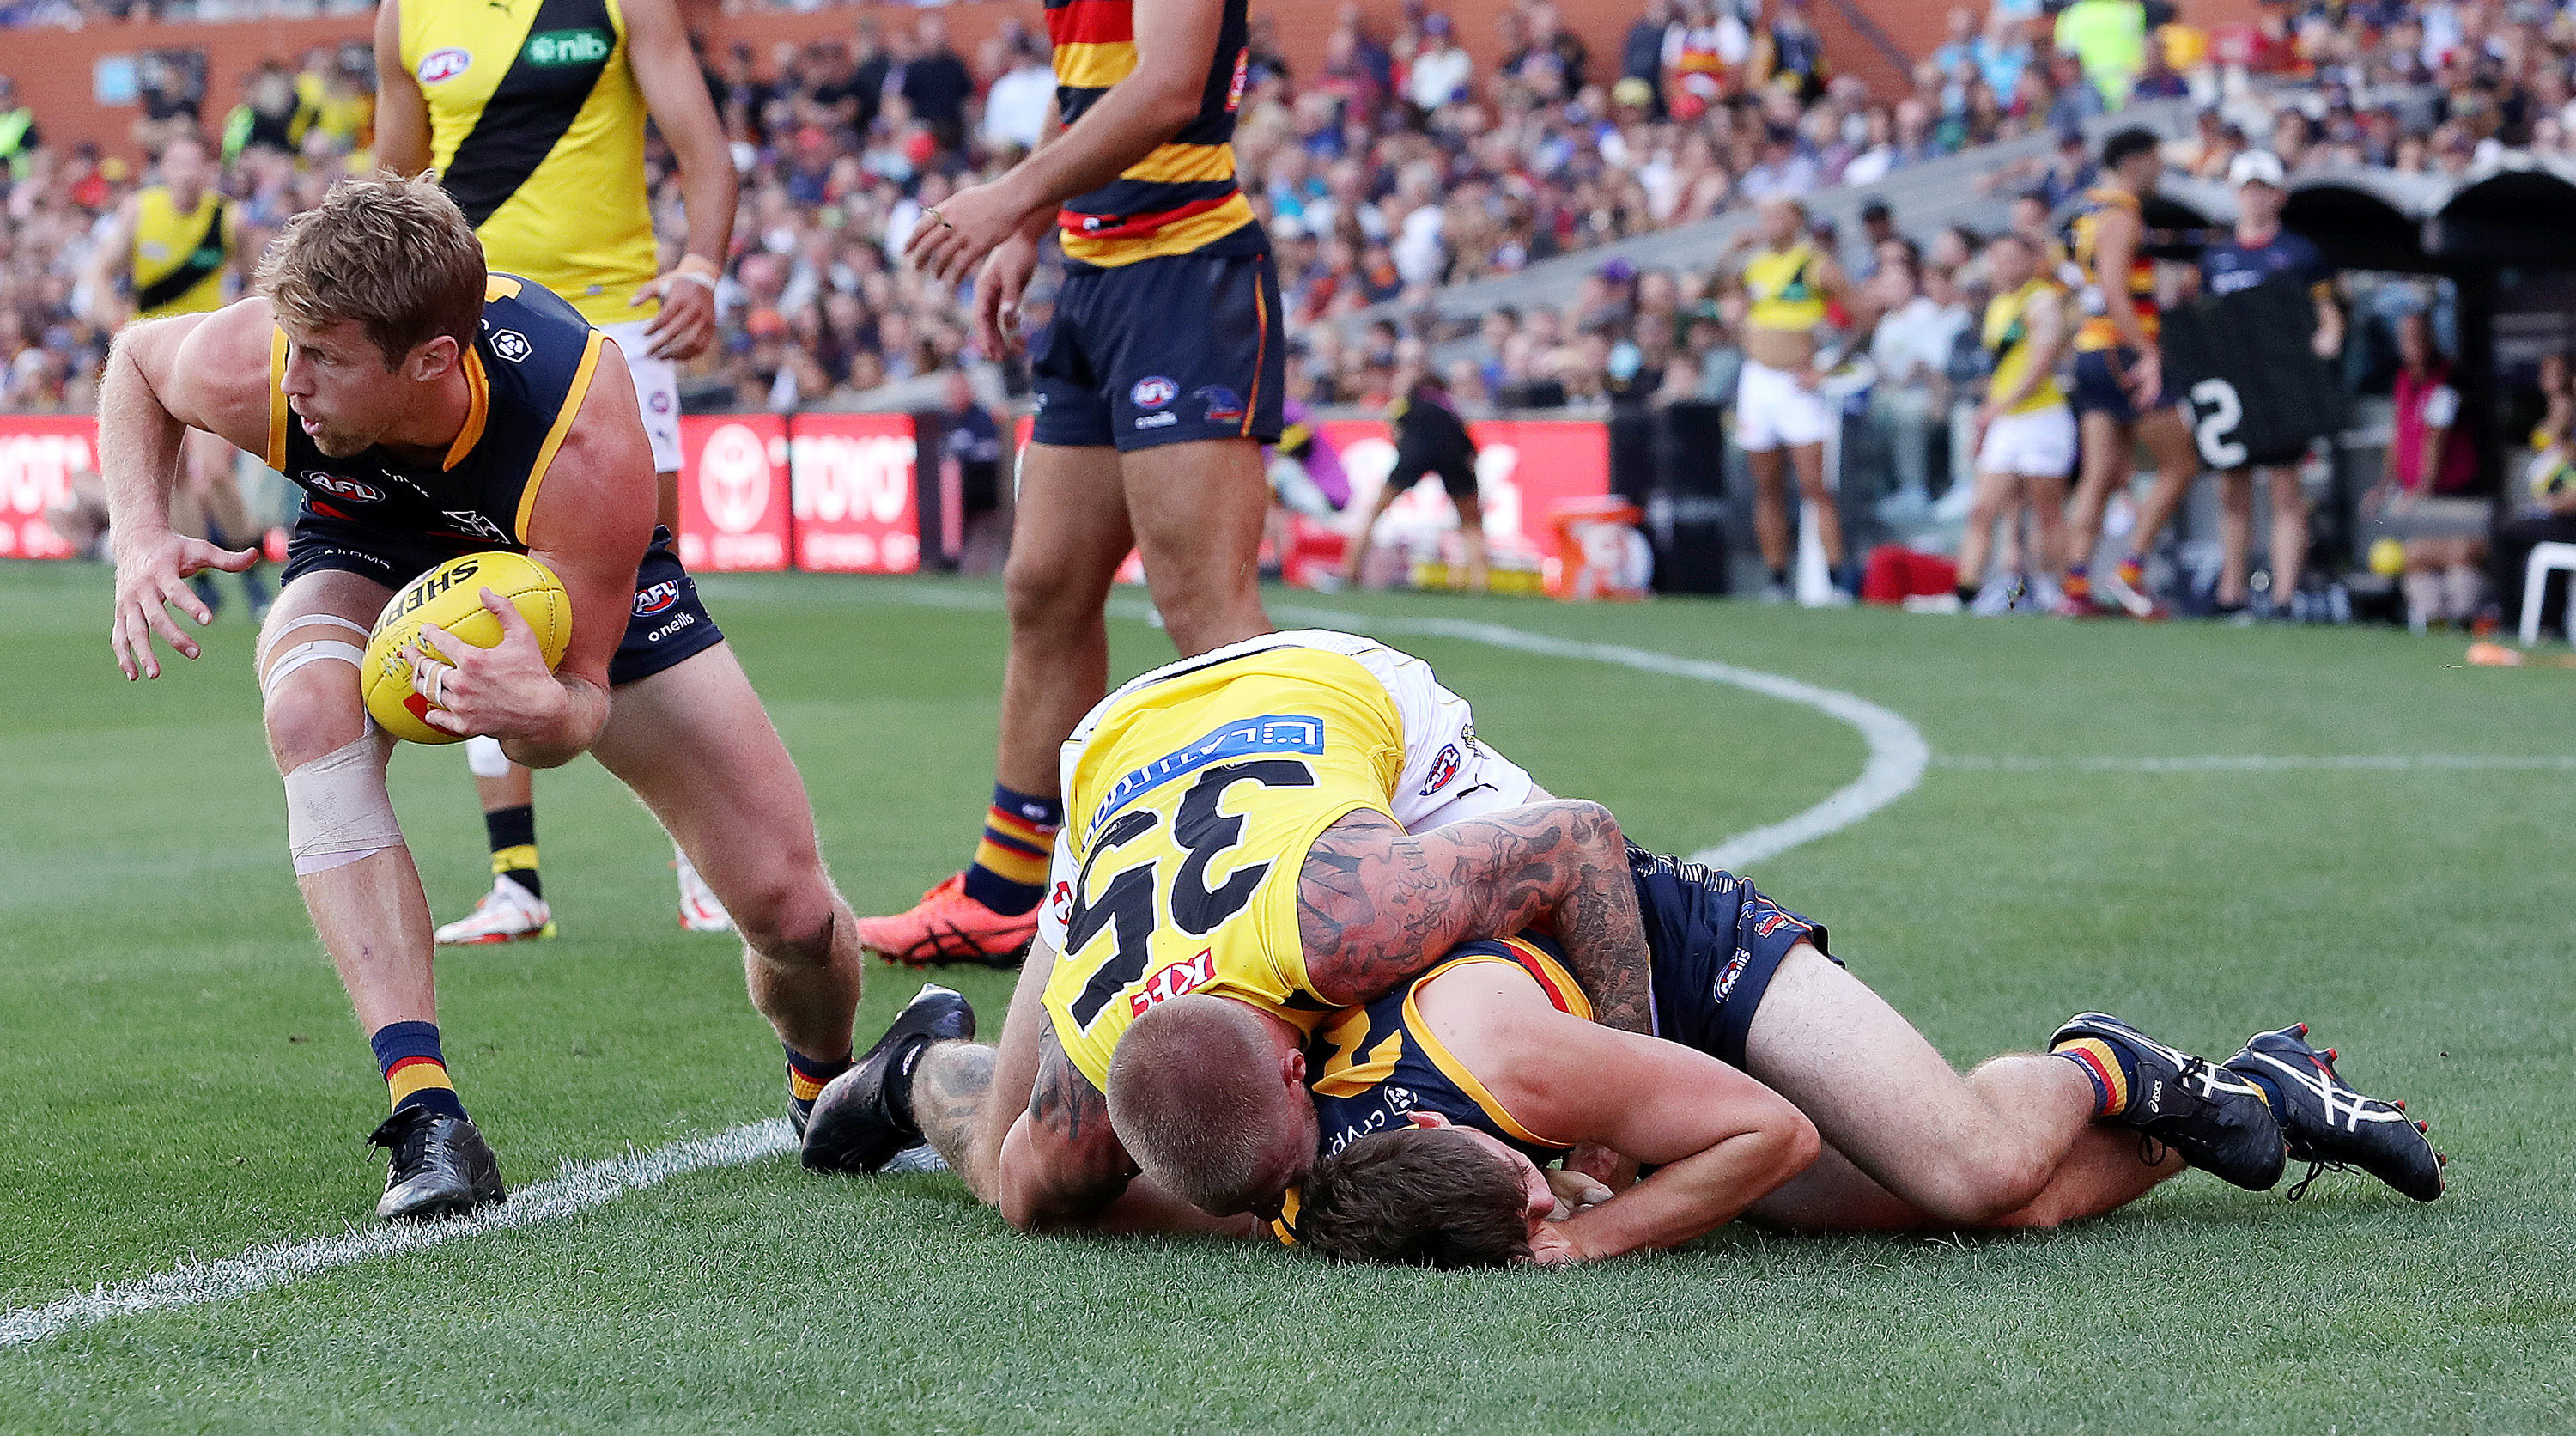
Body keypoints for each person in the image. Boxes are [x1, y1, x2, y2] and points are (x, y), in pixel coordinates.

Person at [99, 177, 874, 1221]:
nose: (297, 383)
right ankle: (426, 1114)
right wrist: (141, 534)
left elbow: (580, 710)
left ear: (428, 361)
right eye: (296, 349)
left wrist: (541, 713)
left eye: (326, 359)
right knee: (306, 713)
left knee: (796, 917)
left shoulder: (584, 431)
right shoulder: (267, 362)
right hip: (373, 539)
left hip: (559, 557)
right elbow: (137, 361)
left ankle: (826, 1085)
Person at [801, 630, 1659, 1235]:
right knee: (1004, 1174)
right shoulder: (1082, 1095)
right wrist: (1283, 1224)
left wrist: (1616, 1135)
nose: (1308, 1178)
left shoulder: (1349, 919)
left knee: (1589, 921)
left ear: (1298, 1069)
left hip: (1316, 687)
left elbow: (1582, 837)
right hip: (1120, 752)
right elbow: (1033, 1196)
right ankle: (912, 1067)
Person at [1291, 850, 2444, 1266]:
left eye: (1529, 1187)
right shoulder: (1325, 1198)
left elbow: (1768, 1134)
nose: (1546, 1203)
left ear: (1440, 1129)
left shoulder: (1494, 1062)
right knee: (1999, 1218)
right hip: (1624, 1067)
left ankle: (2105, 1063)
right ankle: (2264, 1092)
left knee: (1974, 1169)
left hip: (1676, 964)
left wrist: (1589, 1233)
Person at [860, 0, 1290, 968]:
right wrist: (1033, 229)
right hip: (1096, 279)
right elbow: (1088, 90)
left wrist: (1009, 198)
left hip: (1186, 276)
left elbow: (1169, 87)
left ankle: (1295, 883)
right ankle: (1010, 892)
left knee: (1204, 606)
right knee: (1044, 584)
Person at [376, 0, 742, 944]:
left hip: (612, 325)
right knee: (470, 586)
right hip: (472, 326)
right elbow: (390, 188)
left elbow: (702, 146)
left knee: (653, 584)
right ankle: (515, 883)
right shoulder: (406, 13)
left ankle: (705, 869)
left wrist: (701, 268)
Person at [81, 131, 273, 623]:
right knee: (179, 484)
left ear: (207, 170)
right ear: (164, 171)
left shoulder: (225, 217)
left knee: (211, 475)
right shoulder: (140, 213)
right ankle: (203, 582)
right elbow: (101, 272)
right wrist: (118, 326)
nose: (187, 174)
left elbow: (260, 273)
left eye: (195, 164)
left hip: (208, 356)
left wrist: (237, 320)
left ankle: (250, 570)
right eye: (178, 165)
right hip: (153, 364)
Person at [2061, 126, 2202, 618]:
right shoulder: (2121, 216)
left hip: (2092, 351)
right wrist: (2149, 352)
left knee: (2099, 474)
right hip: (2122, 349)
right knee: (2180, 463)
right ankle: (2129, 573)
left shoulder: (2088, 213)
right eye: (2156, 158)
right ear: (2136, 160)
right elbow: (2118, 294)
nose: (2160, 168)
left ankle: (2076, 585)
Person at [2197, 150, 2342, 620]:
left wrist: (2324, 343)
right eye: (2248, 189)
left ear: (2278, 195)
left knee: (2284, 488)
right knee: (2232, 491)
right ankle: (2231, 592)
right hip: (2233, 384)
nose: (2256, 198)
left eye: (2264, 188)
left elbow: (2326, 314)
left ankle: (2282, 596)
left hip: (2282, 381)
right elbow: (2201, 321)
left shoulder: (2301, 253)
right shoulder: (2216, 258)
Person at [1722, 198, 1871, 603]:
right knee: (1766, 485)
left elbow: (1863, 313)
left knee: (1814, 485)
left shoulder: (1815, 265)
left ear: (1797, 223)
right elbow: (1712, 290)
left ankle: (1837, 578)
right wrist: (1729, 254)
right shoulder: (1755, 264)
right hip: (1758, 381)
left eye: (1777, 215)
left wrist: (1827, 367)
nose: (1768, 222)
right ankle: (1776, 579)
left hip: (1796, 384)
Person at [1955, 230, 2075, 613]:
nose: (2003, 266)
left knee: (2046, 511)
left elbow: (2040, 364)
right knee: (1983, 508)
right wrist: (1989, 415)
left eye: (2011, 258)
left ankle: (2056, 589)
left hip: (2040, 417)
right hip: (2007, 419)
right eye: (1997, 258)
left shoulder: (2040, 300)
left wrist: (1997, 407)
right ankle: (1966, 593)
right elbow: (2002, 369)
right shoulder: (1997, 304)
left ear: (2028, 261)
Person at [1340, 346, 1485, 592]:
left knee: (1375, 512)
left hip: (1414, 450)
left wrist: (1404, 457)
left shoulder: (1406, 403)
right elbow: (1470, 448)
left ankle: (1350, 571)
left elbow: (1394, 427)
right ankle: (1480, 583)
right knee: (1470, 523)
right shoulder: (1449, 407)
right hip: (1452, 452)